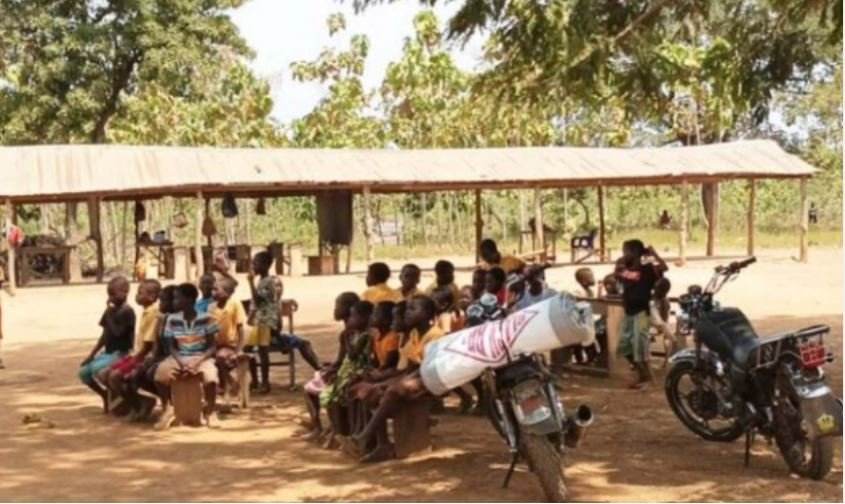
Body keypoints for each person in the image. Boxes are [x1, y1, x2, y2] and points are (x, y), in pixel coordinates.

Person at [348, 295, 444, 458]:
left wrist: (396, 381)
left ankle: (364, 436)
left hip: (431, 380)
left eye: (413, 309)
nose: (407, 313)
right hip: (415, 375)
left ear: (427, 313)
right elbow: (408, 367)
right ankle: (382, 444)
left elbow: (426, 368)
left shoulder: (435, 335)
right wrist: (382, 382)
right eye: (407, 309)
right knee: (370, 390)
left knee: (393, 391)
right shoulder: (414, 334)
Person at [154, 283, 220, 429]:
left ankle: (210, 411)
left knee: (211, 379)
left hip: (201, 357)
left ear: (190, 299)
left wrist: (197, 362)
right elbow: (172, 347)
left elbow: (212, 347)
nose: (174, 302)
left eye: (178, 298)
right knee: (160, 376)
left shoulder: (207, 318)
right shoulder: (172, 319)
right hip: (179, 357)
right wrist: (183, 363)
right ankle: (167, 409)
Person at [98, 279, 162, 421]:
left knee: (115, 376)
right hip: (136, 354)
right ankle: (138, 402)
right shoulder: (146, 311)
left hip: (142, 356)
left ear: (151, 297)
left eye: (140, 293)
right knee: (103, 374)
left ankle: (137, 406)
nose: (136, 296)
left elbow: (147, 346)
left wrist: (133, 358)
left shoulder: (153, 314)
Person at [300, 292, 360, 442]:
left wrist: (335, 370)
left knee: (329, 390)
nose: (335, 310)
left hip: (353, 373)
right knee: (310, 387)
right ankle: (318, 427)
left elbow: (352, 359)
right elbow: (340, 360)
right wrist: (329, 368)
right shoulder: (344, 334)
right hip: (344, 370)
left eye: (337, 306)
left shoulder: (356, 335)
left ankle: (335, 430)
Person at [615, 239, 668, 389]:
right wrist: (623, 262)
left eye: (626, 251)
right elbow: (616, 275)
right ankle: (642, 374)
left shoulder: (648, 269)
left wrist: (653, 254)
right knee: (624, 347)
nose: (624, 254)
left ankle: (648, 379)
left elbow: (664, 267)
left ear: (635, 253)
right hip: (629, 312)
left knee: (640, 347)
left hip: (642, 313)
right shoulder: (623, 267)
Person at [320, 300, 374, 446]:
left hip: (359, 370)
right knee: (331, 396)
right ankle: (339, 432)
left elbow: (352, 355)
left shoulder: (364, 336)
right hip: (349, 370)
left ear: (365, 319)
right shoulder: (355, 334)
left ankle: (346, 434)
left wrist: (346, 338)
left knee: (342, 393)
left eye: (353, 317)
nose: (350, 320)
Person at [79, 276, 136, 412]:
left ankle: (125, 398)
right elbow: (105, 335)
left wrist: (110, 313)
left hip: (122, 353)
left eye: (113, 294)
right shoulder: (110, 311)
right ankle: (105, 395)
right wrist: (91, 355)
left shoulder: (127, 311)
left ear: (125, 292)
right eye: (109, 294)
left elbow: (117, 332)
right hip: (108, 353)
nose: (110, 298)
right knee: (84, 372)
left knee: (96, 369)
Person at [245, 250, 280, 393]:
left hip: (266, 322)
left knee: (262, 352)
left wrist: (250, 282)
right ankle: (255, 380)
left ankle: (265, 383)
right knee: (247, 351)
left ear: (266, 265)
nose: (253, 266)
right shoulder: (263, 280)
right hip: (260, 322)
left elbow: (258, 300)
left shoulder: (268, 282)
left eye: (256, 263)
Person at [209, 276, 247, 405]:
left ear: (227, 292)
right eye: (212, 290)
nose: (213, 293)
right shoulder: (211, 307)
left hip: (231, 345)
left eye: (216, 290)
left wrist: (239, 350)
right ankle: (230, 383)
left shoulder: (235, 304)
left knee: (221, 357)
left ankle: (226, 386)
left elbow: (240, 328)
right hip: (215, 345)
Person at [650, 277, 676, 366]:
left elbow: (662, 319)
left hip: (657, 325)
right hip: (659, 324)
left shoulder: (660, 300)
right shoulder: (660, 299)